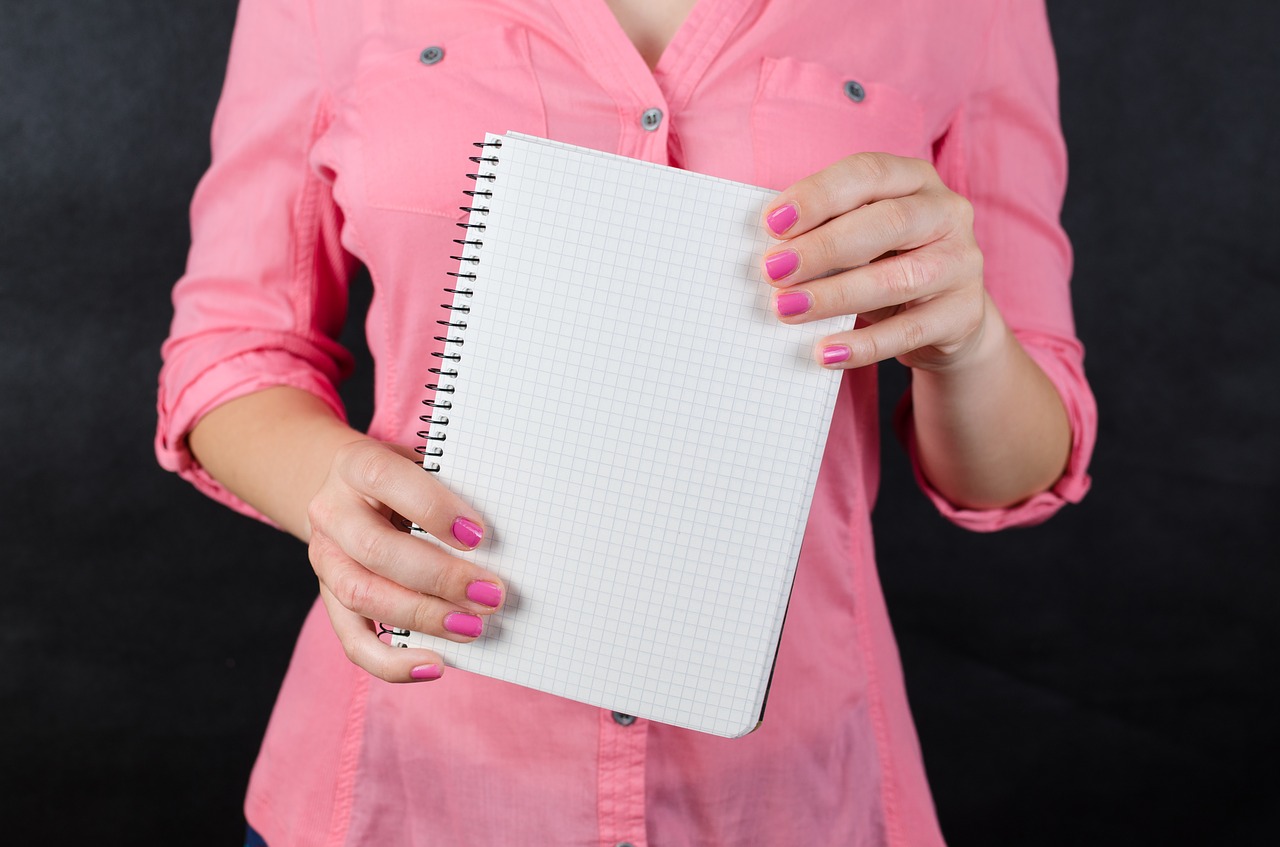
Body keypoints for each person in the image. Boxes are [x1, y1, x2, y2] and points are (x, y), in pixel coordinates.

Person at [156, 0, 1096, 844]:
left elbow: (1014, 468)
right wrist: (334, 494)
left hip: (793, 796)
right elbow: (233, 346)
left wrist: (967, 341)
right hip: (406, 783)